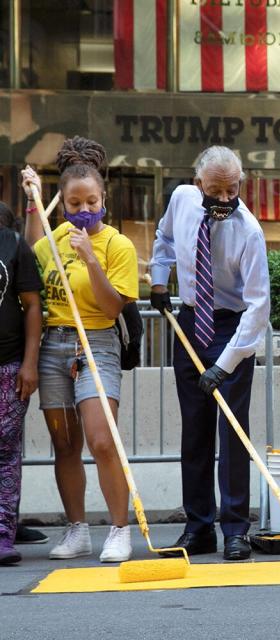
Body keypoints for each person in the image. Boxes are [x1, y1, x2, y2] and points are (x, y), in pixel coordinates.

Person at [21, 137, 140, 563]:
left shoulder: (116, 245)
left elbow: (112, 308)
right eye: (75, 203)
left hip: (97, 343)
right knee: (65, 443)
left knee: (102, 439)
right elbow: (33, 256)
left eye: (92, 200)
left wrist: (91, 258)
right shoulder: (52, 241)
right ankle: (77, 530)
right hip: (55, 343)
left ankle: (119, 529)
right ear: (64, 203)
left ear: (104, 198)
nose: (84, 209)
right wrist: (34, 203)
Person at [151, 146, 270, 561]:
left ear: (242, 182)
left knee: (233, 432)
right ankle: (198, 528)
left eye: (232, 189)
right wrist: (159, 278)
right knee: (194, 430)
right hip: (190, 320)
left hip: (230, 328)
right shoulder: (182, 200)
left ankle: (235, 529)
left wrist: (225, 364)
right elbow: (164, 237)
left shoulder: (249, 232)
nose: (224, 199)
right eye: (215, 190)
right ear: (198, 183)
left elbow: (258, 306)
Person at [0, 203, 43, 565]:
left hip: (8, 365)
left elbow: (32, 305)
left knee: (6, 452)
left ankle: (2, 535)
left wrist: (30, 363)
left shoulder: (14, 245)